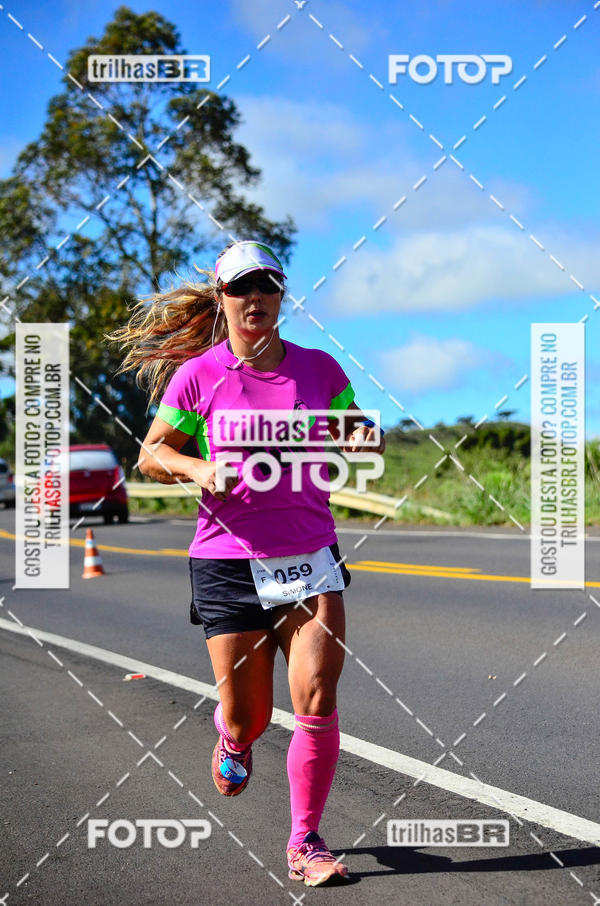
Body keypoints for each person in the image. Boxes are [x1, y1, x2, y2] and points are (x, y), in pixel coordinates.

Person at [110, 240, 385, 887]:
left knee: (317, 696)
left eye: (266, 285)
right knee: (249, 716)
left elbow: (359, 430)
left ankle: (305, 842)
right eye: (240, 287)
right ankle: (233, 739)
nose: (254, 297)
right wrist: (200, 468)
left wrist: (359, 435)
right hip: (227, 562)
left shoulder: (319, 369)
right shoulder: (199, 376)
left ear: (281, 295)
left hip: (309, 555)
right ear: (222, 298)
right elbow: (152, 454)